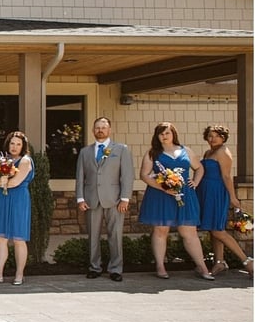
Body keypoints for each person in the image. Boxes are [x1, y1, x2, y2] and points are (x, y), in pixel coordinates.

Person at [138, 122, 213, 280]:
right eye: (161, 134)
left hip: (185, 194)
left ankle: (202, 267)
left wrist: (196, 182)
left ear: (173, 134)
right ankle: (160, 266)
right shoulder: (153, 153)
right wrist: (163, 187)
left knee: (189, 232)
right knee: (161, 230)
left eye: (167, 133)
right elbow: (144, 175)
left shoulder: (186, 150)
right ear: (157, 136)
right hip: (161, 195)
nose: (164, 136)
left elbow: (199, 168)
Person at [75, 117, 134, 282]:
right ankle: (94, 267)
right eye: (97, 127)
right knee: (93, 235)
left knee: (115, 235)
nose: (100, 130)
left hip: (114, 200)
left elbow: (127, 175)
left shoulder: (121, 149)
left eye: (104, 127)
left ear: (109, 130)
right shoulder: (85, 152)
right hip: (91, 199)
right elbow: (80, 176)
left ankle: (115, 269)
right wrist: (80, 198)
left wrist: (125, 198)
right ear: (93, 130)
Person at [197, 125, 254, 277]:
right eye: (210, 135)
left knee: (218, 230)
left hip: (217, 192)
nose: (212, 138)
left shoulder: (223, 152)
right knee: (212, 228)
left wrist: (233, 197)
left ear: (223, 137)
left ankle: (248, 261)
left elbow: (226, 176)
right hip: (205, 192)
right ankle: (219, 262)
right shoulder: (209, 152)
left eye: (217, 135)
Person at [0, 131, 34, 286]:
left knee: (18, 238)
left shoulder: (25, 161)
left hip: (18, 199)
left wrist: (2, 181)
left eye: (18, 144)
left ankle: (19, 275)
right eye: (12, 143)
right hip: (2, 199)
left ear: (23, 146)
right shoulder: (3, 160)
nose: (15, 147)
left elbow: (15, 182)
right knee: (1, 237)